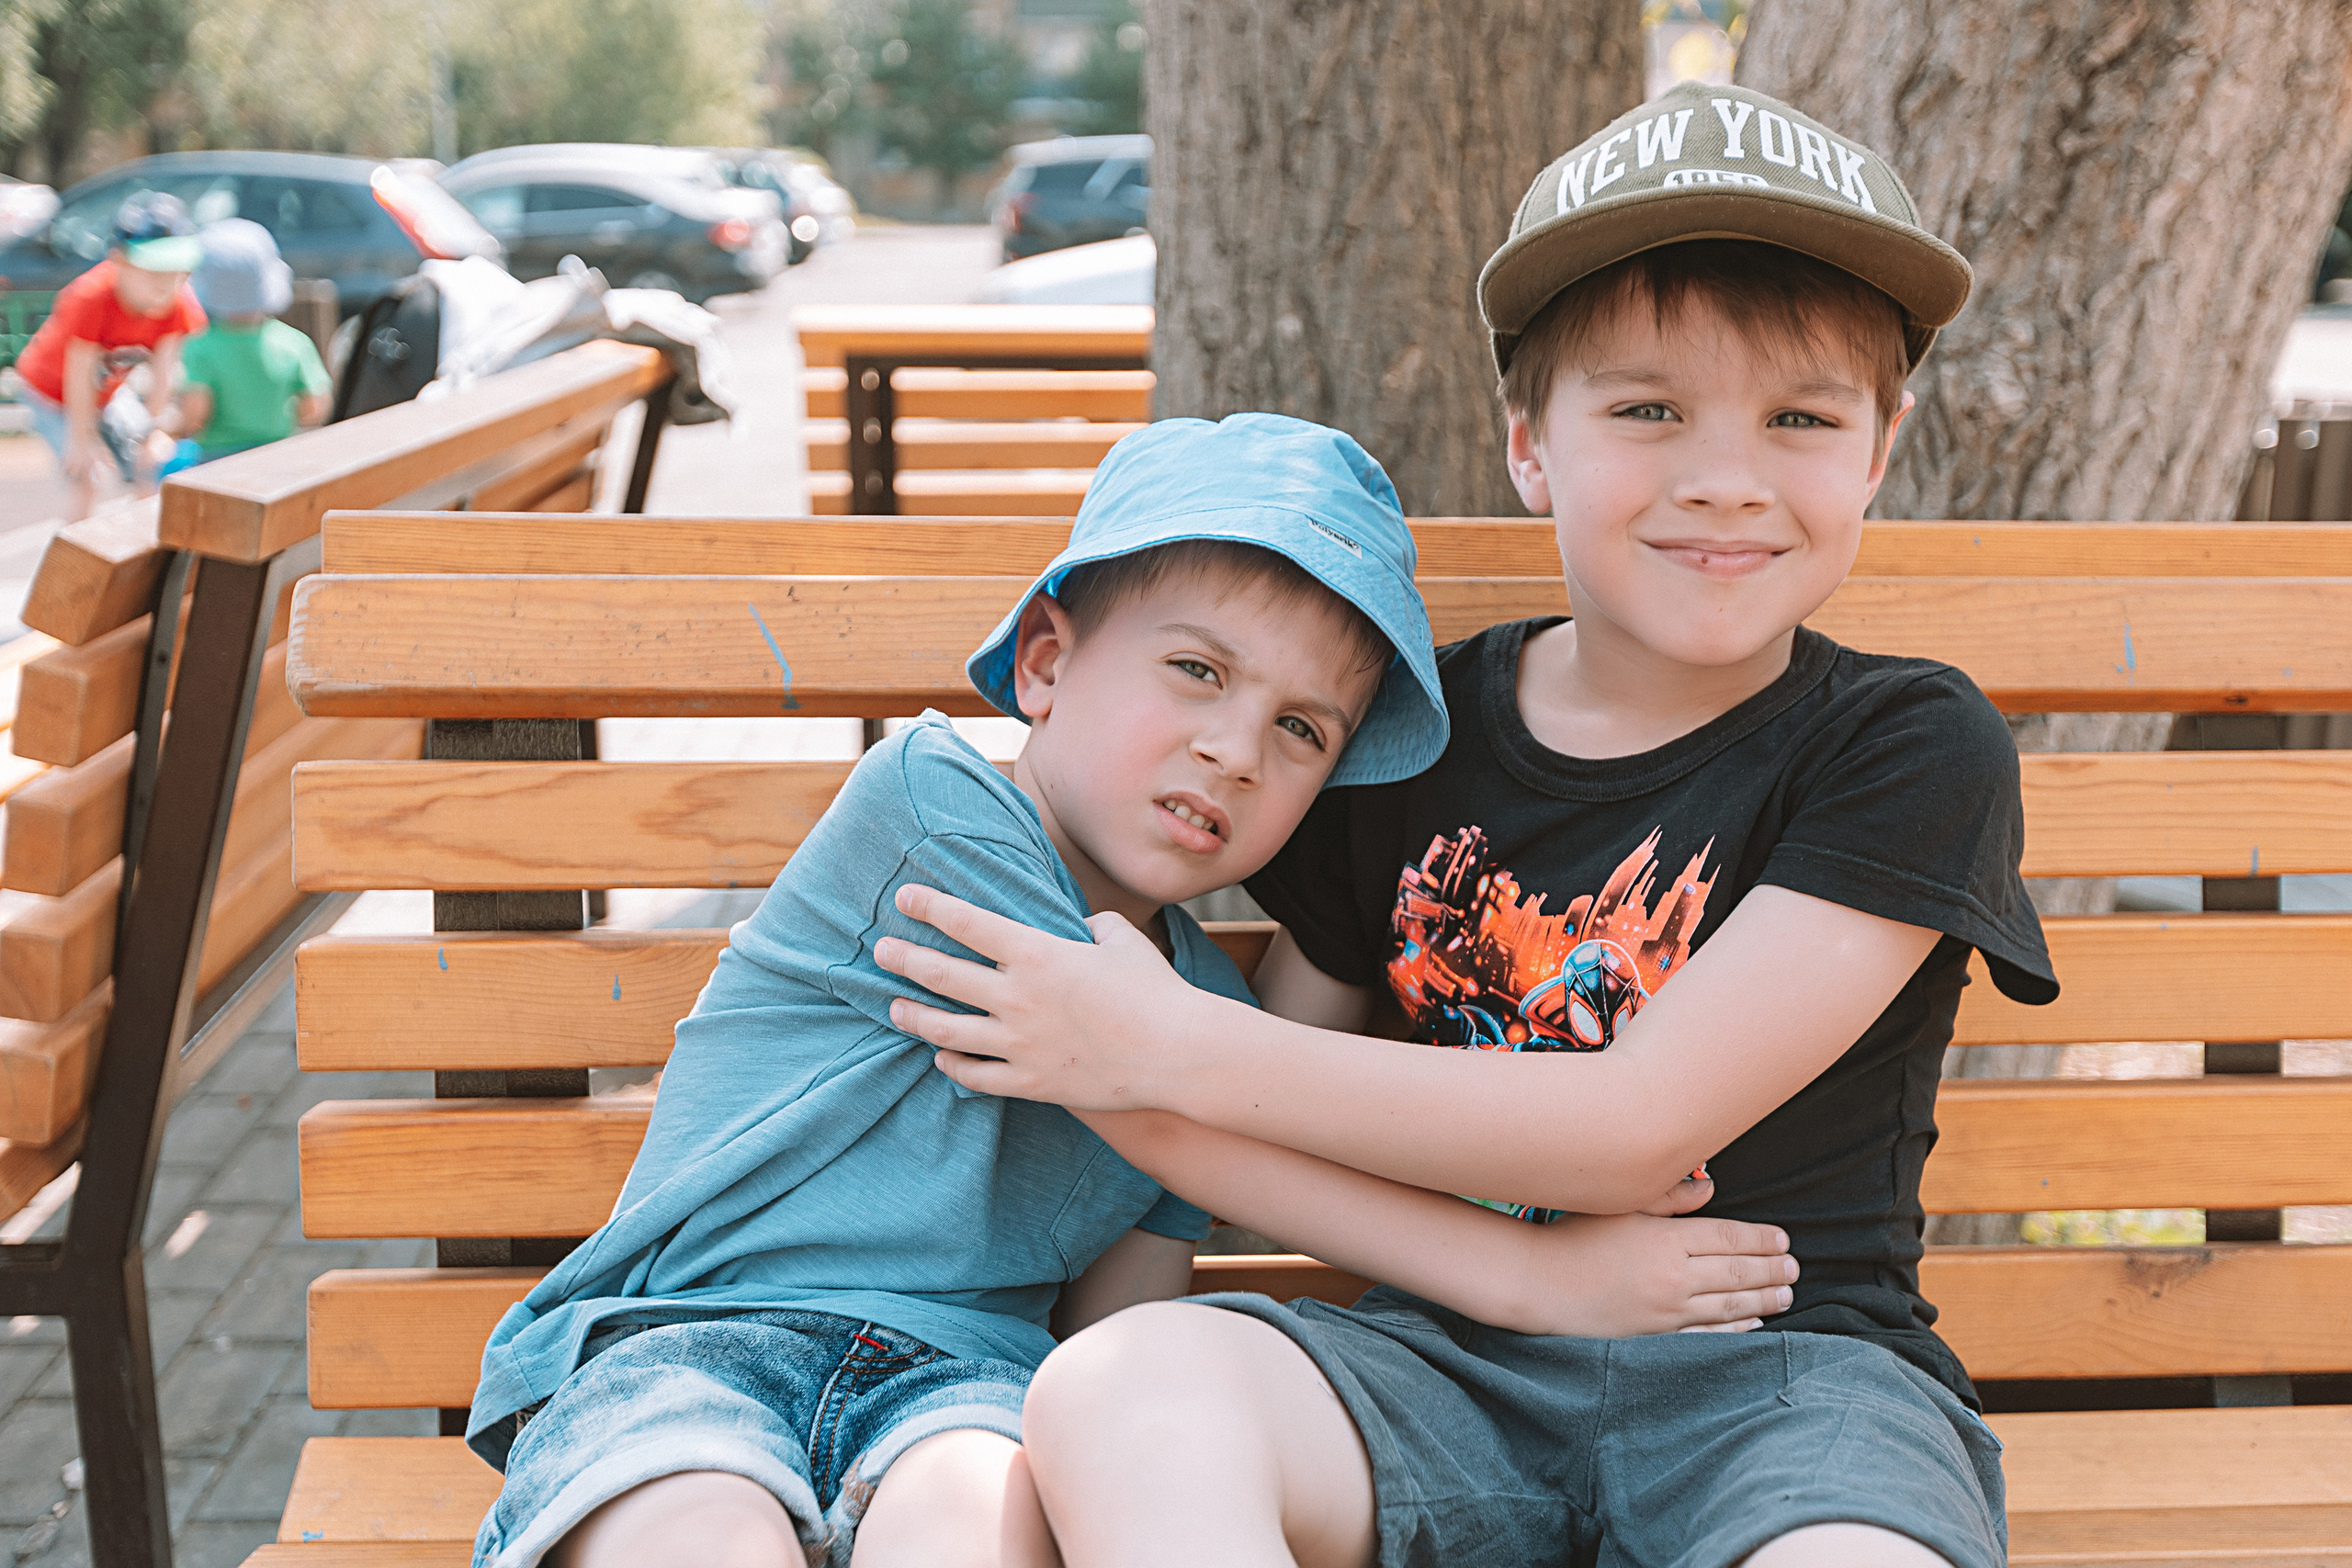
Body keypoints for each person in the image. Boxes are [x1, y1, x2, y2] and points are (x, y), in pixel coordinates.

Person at [875, 81, 2060, 1568]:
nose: (1723, 476)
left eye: (1801, 419)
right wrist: (1155, 1180)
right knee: (1123, 1388)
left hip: (1786, 1381)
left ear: (1875, 456)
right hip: (1435, 1369)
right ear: (1529, 446)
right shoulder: (1408, 740)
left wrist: (1161, 1043)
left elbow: (1634, 1130)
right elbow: (1233, 1122)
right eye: (1646, 408)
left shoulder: (1902, 742)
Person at [464, 414, 1795, 1568]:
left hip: (960, 1391)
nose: (1232, 748)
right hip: (696, 1344)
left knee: (970, 1519)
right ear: (1045, 662)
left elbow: (1126, 1314)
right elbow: (1181, 1111)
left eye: (1301, 731)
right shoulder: (934, 815)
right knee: (692, 1521)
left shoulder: (1194, 1010)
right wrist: (1540, 1276)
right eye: (1198, 670)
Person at [15, 192, 205, 520]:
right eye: (153, 270)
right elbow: (79, 369)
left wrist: (152, 430)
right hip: (51, 392)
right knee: (88, 476)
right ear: (120, 261)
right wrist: (82, 437)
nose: (165, 283)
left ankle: (145, 547)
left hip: (108, 392)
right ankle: (77, 558)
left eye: (175, 271)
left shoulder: (178, 304)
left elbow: (165, 370)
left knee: (151, 462)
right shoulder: (91, 297)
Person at [156, 218, 330, 474]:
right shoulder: (294, 342)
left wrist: (168, 429)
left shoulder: (200, 346)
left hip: (217, 463)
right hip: (278, 458)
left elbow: (196, 413)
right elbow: (316, 407)